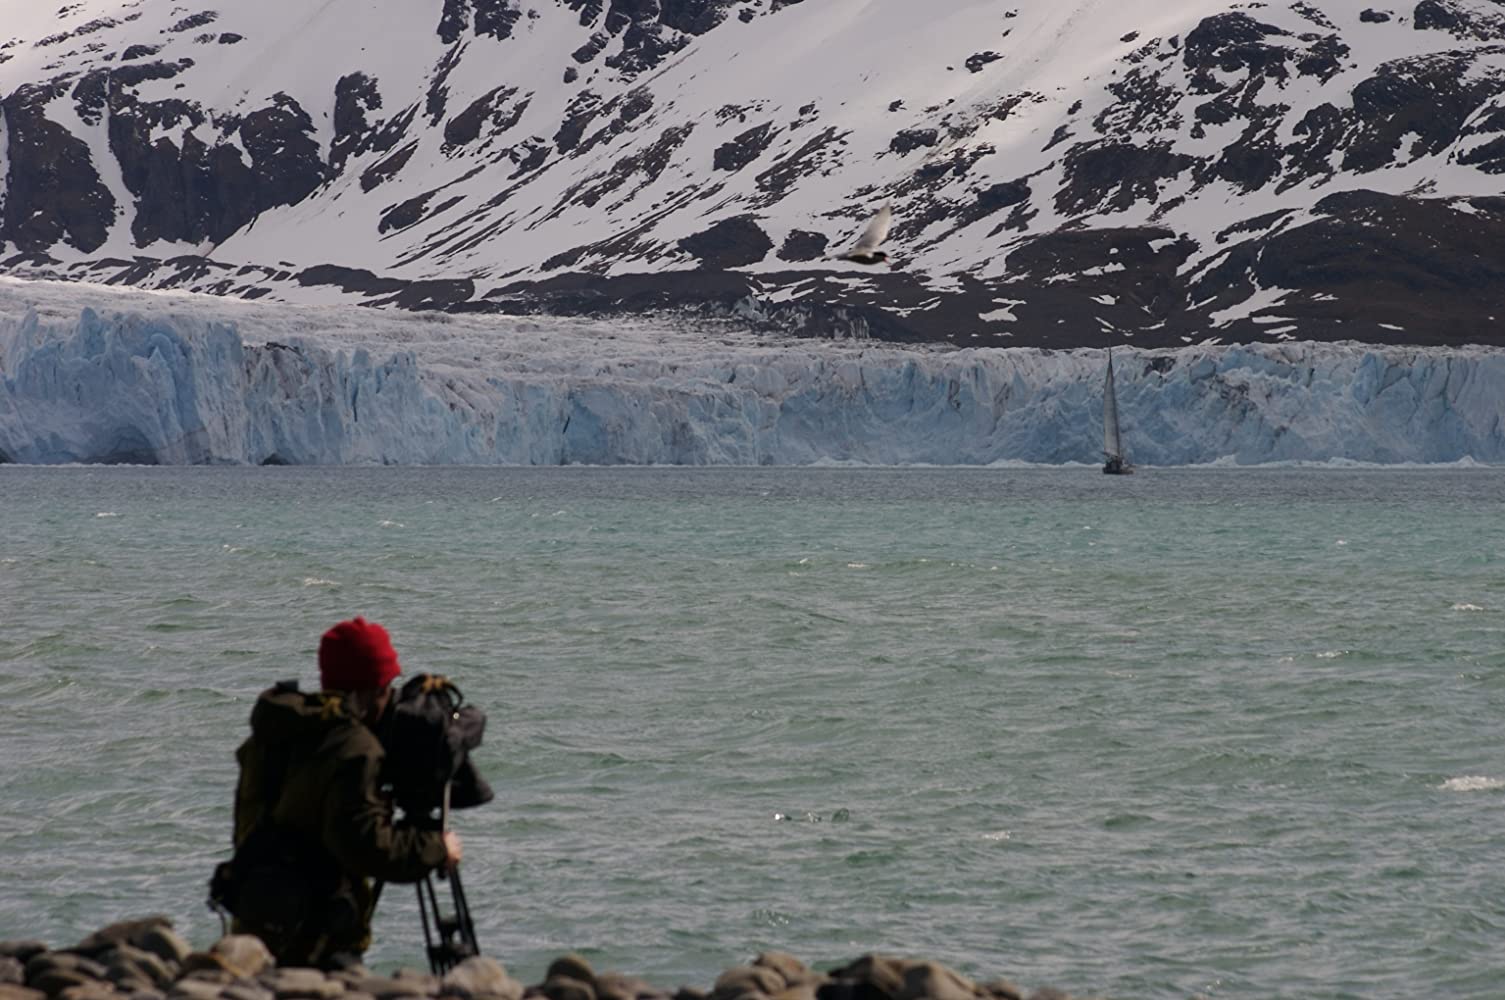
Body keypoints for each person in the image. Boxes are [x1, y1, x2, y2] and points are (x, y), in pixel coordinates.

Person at [228, 616, 463, 968]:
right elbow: (365, 847)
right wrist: (436, 848)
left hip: (255, 922)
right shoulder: (353, 747)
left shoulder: (277, 731)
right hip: (317, 939)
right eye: (386, 686)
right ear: (372, 689)